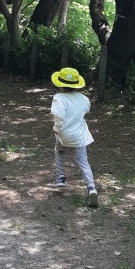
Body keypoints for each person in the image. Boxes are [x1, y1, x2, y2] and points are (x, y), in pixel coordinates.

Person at [50, 67, 99, 207]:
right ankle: (91, 188)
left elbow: (58, 116)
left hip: (63, 135)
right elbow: (86, 110)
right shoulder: (84, 99)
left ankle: (60, 177)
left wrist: (56, 129)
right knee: (83, 162)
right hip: (79, 137)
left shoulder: (59, 98)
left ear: (60, 84)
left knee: (59, 152)